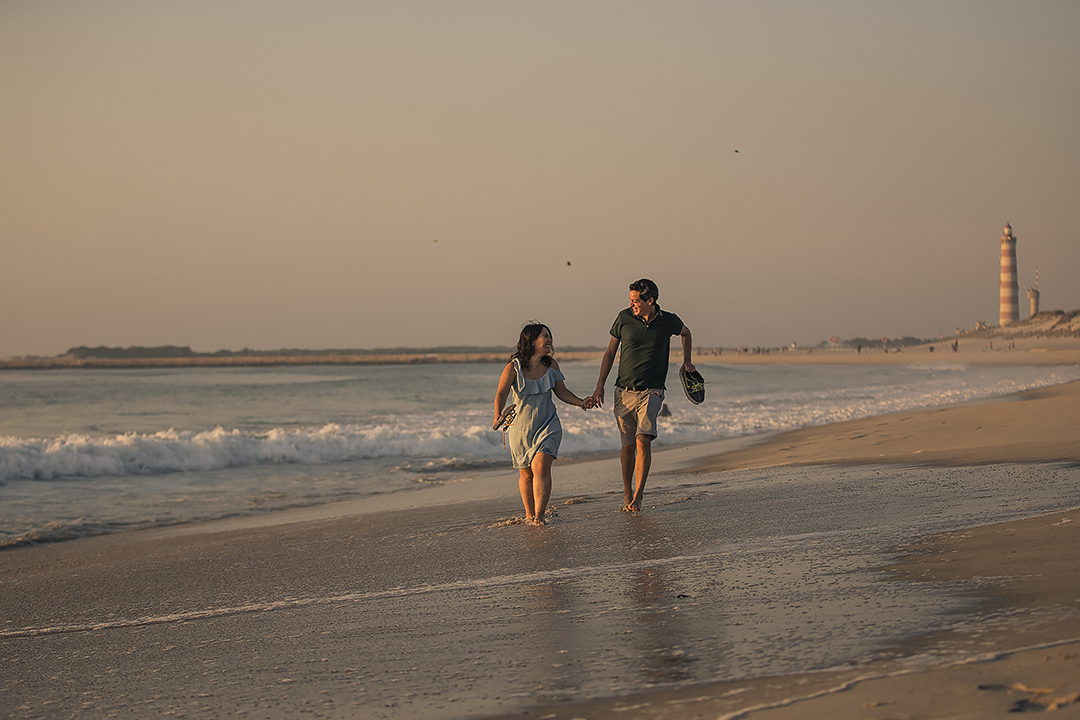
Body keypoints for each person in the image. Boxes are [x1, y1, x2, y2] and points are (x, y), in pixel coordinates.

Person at [590, 279, 694, 512]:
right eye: (630, 299)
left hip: (653, 390)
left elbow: (686, 333)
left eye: (636, 300)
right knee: (628, 446)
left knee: (642, 439)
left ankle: (638, 495)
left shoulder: (669, 321)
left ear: (651, 301)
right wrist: (600, 386)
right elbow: (609, 353)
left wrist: (687, 361)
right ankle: (627, 490)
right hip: (623, 390)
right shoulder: (624, 318)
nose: (631, 304)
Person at [494, 323, 595, 525]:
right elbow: (501, 393)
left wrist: (582, 403)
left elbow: (562, 392)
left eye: (550, 336)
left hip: (548, 425)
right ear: (531, 341)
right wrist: (498, 416)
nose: (549, 340)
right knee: (526, 474)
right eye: (544, 336)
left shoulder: (551, 366)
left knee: (540, 467)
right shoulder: (514, 367)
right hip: (520, 430)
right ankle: (529, 515)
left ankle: (539, 516)